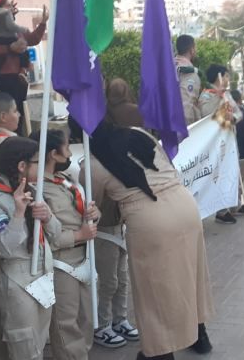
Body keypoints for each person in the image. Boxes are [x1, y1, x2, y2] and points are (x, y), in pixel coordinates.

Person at [84, 122, 214, 359]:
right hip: (184, 204)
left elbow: (94, 206)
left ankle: (161, 353)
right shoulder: (138, 133)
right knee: (190, 274)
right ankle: (199, 335)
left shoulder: (92, 164)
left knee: (155, 289)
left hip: (150, 219)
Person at [0, 136, 65, 360]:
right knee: (24, 347)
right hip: (18, 280)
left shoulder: (34, 190)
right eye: (37, 162)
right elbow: (4, 249)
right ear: (22, 166)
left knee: (40, 342)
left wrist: (47, 217)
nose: (42, 167)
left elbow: (56, 235)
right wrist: (19, 213)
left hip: (43, 273)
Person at [29, 130, 99, 360]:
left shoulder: (65, 180)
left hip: (84, 256)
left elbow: (81, 214)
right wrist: (79, 235)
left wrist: (93, 215)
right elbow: (46, 235)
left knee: (86, 318)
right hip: (61, 261)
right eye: (67, 147)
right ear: (53, 153)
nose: (69, 153)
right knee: (66, 323)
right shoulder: (37, 188)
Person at [0, 1, 48, 136]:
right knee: (1, 117)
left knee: (17, 115)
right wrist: (9, 48)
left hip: (17, 80)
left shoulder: (15, 30)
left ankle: (17, 138)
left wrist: (43, 23)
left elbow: (32, 39)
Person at [91, 190, 138, 349]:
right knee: (108, 282)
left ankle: (119, 319)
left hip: (119, 227)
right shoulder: (96, 174)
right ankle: (101, 325)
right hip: (103, 229)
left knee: (122, 280)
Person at [175, 35, 201, 125]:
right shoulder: (189, 72)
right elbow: (186, 104)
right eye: (195, 48)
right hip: (182, 125)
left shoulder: (169, 67)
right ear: (191, 50)